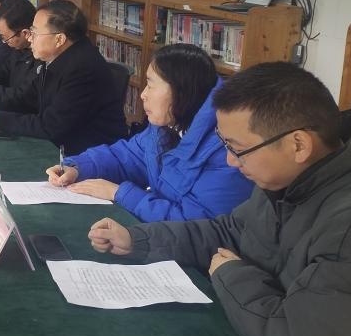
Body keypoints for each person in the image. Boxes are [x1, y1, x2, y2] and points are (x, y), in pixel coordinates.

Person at [87, 63, 351, 336]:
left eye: (238, 148)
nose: (231, 162)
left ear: (298, 144)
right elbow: (227, 230)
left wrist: (231, 275)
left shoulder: (348, 220)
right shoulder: (287, 181)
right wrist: (138, 240)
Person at [45, 43, 253, 221]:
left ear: (181, 92)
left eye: (151, 86)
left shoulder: (227, 150)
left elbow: (198, 225)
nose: (143, 95)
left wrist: (120, 193)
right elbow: (127, 157)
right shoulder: (168, 124)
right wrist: (78, 168)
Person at [0, 0, 127, 153]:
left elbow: (50, 127)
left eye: (34, 32)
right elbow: (27, 97)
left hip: (88, 156)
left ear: (59, 39)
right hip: (62, 145)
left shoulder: (82, 68)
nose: (29, 37)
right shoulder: (57, 57)